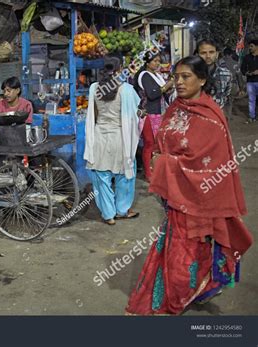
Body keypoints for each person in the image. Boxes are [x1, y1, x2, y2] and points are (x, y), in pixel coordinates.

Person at [126, 56, 253, 315]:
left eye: (186, 77)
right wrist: (162, 161)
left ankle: (185, 294)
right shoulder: (176, 107)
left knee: (191, 250)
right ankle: (188, 291)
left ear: (202, 80)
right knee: (179, 249)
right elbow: (162, 139)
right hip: (175, 195)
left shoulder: (211, 117)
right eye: (176, 77)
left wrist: (164, 163)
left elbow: (212, 164)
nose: (179, 82)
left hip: (202, 198)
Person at [85, 57, 141, 225]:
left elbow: (93, 113)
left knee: (102, 176)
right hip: (120, 137)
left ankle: (108, 215)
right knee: (125, 175)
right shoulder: (127, 90)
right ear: (120, 70)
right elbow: (134, 115)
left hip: (100, 136)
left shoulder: (94, 88)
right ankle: (122, 210)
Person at [134, 52, 174, 182]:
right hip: (149, 114)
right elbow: (152, 94)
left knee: (156, 144)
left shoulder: (156, 75)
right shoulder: (145, 75)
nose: (157, 63)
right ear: (147, 62)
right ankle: (149, 173)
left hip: (158, 113)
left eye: (158, 61)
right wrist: (166, 86)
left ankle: (154, 169)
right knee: (149, 144)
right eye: (154, 61)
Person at [196, 39, 232, 110]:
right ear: (197, 55)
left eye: (211, 52)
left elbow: (226, 94)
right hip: (196, 115)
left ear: (217, 54)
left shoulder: (226, 74)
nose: (208, 56)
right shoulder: (192, 74)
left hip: (217, 115)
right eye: (203, 53)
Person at [222, 47, 246, 121]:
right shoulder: (235, 64)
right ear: (231, 54)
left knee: (221, 101)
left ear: (224, 54)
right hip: (233, 85)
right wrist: (241, 88)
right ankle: (228, 116)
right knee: (230, 101)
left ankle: (221, 116)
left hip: (222, 85)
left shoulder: (219, 63)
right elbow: (239, 77)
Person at [240, 39, 258, 124]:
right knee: (251, 100)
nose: (250, 48)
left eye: (252, 46)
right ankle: (252, 117)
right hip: (250, 82)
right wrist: (248, 73)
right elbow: (242, 69)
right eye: (249, 46)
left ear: (257, 47)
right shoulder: (247, 57)